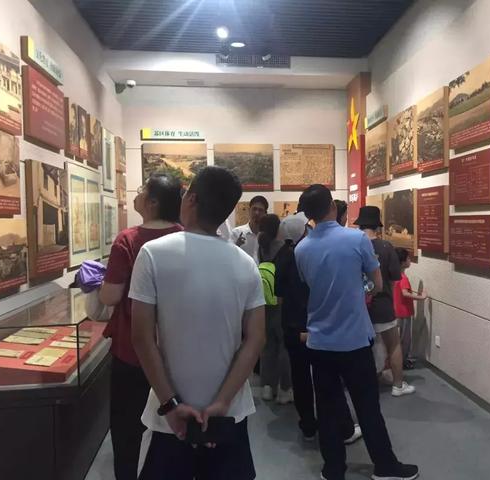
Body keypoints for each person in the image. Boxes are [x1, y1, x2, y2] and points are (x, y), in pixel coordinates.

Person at [130, 166, 266, 480]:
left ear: (190, 199)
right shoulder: (246, 264)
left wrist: (170, 404)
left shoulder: (153, 254)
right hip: (229, 415)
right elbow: (256, 338)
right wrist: (222, 402)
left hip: (169, 418)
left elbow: (142, 336)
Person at [295, 185, 419, 480]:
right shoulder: (356, 239)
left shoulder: (301, 249)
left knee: (327, 409)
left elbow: (309, 287)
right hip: (353, 340)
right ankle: (385, 466)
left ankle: (333, 469)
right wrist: (359, 288)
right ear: (332, 207)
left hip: (320, 342)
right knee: (367, 407)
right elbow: (377, 284)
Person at [99, 174, 183, 480]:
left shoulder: (128, 239)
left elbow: (110, 296)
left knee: (126, 429)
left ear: (153, 202)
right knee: (172, 427)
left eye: (141, 191)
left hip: (131, 350)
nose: (136, 195)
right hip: (173, 350)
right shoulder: (185, 236)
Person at [274, 209, 362, 444]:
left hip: (291, 327)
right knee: (328, 377)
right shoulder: (310, 252)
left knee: (300, 378)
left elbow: (280, 295)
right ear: (304, 229)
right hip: (316, 324)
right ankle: (343, 428)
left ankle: (308, 427)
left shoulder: (282, 256)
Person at [355, 206, 415, 398]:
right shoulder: (386, 247)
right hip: (382, 304)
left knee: (361, 348)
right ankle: (398, 384)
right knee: (393, 344)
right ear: (377, 225)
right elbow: (394, 279)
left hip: (358, 305)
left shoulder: (353, 244)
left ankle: (364, 384)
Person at [257, 214, 293, 404]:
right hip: (282, 303)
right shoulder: (285, 249)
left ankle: (266, 387)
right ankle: (285, 389)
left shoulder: (262, 247)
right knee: (283, 346)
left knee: (267, 345)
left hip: (264, 302)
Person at [394, 248, 428, 370]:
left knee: (398, 339)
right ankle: (402, 362)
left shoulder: (393, 275)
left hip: (396, 311)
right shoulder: (403, 278)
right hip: (404, 312)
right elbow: (405, 293)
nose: (410, 260)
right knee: (405, 339)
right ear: (403, 262)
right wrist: (421, 297)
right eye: (408, 258)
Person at [230, 195, 269, 263]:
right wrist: (237, 245)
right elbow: (229, 256)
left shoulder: (267, 235)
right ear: (249, 210)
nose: (257, 213)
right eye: (254, 209)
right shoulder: (236, 233)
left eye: (260, 210)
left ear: (265, 213)